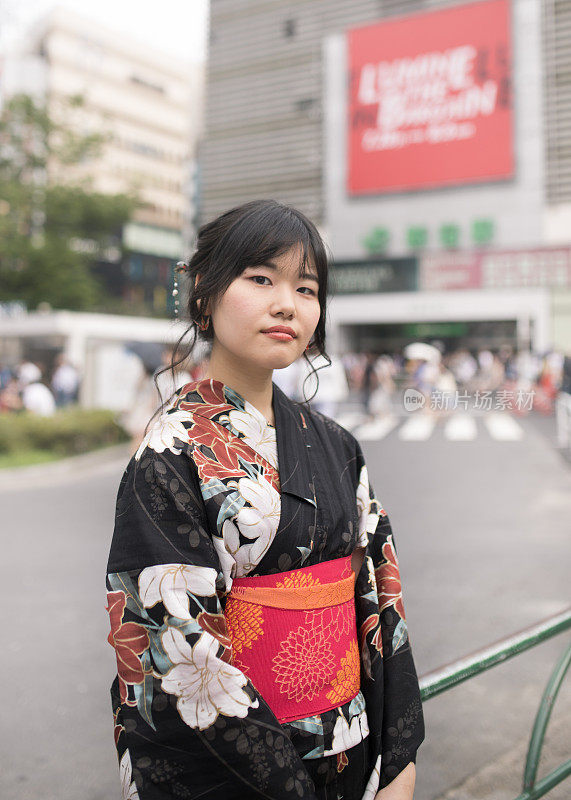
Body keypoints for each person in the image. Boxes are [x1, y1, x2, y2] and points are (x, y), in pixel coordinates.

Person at [106, 200, 424, 800]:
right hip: (246, 770)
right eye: (260, 279)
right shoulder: (170, 452)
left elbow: (381, 598)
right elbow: (173, 645)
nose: (287, 304)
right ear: (204, 293)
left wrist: (399, 755)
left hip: (352, 747)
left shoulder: (337, 445)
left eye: (306, 288)